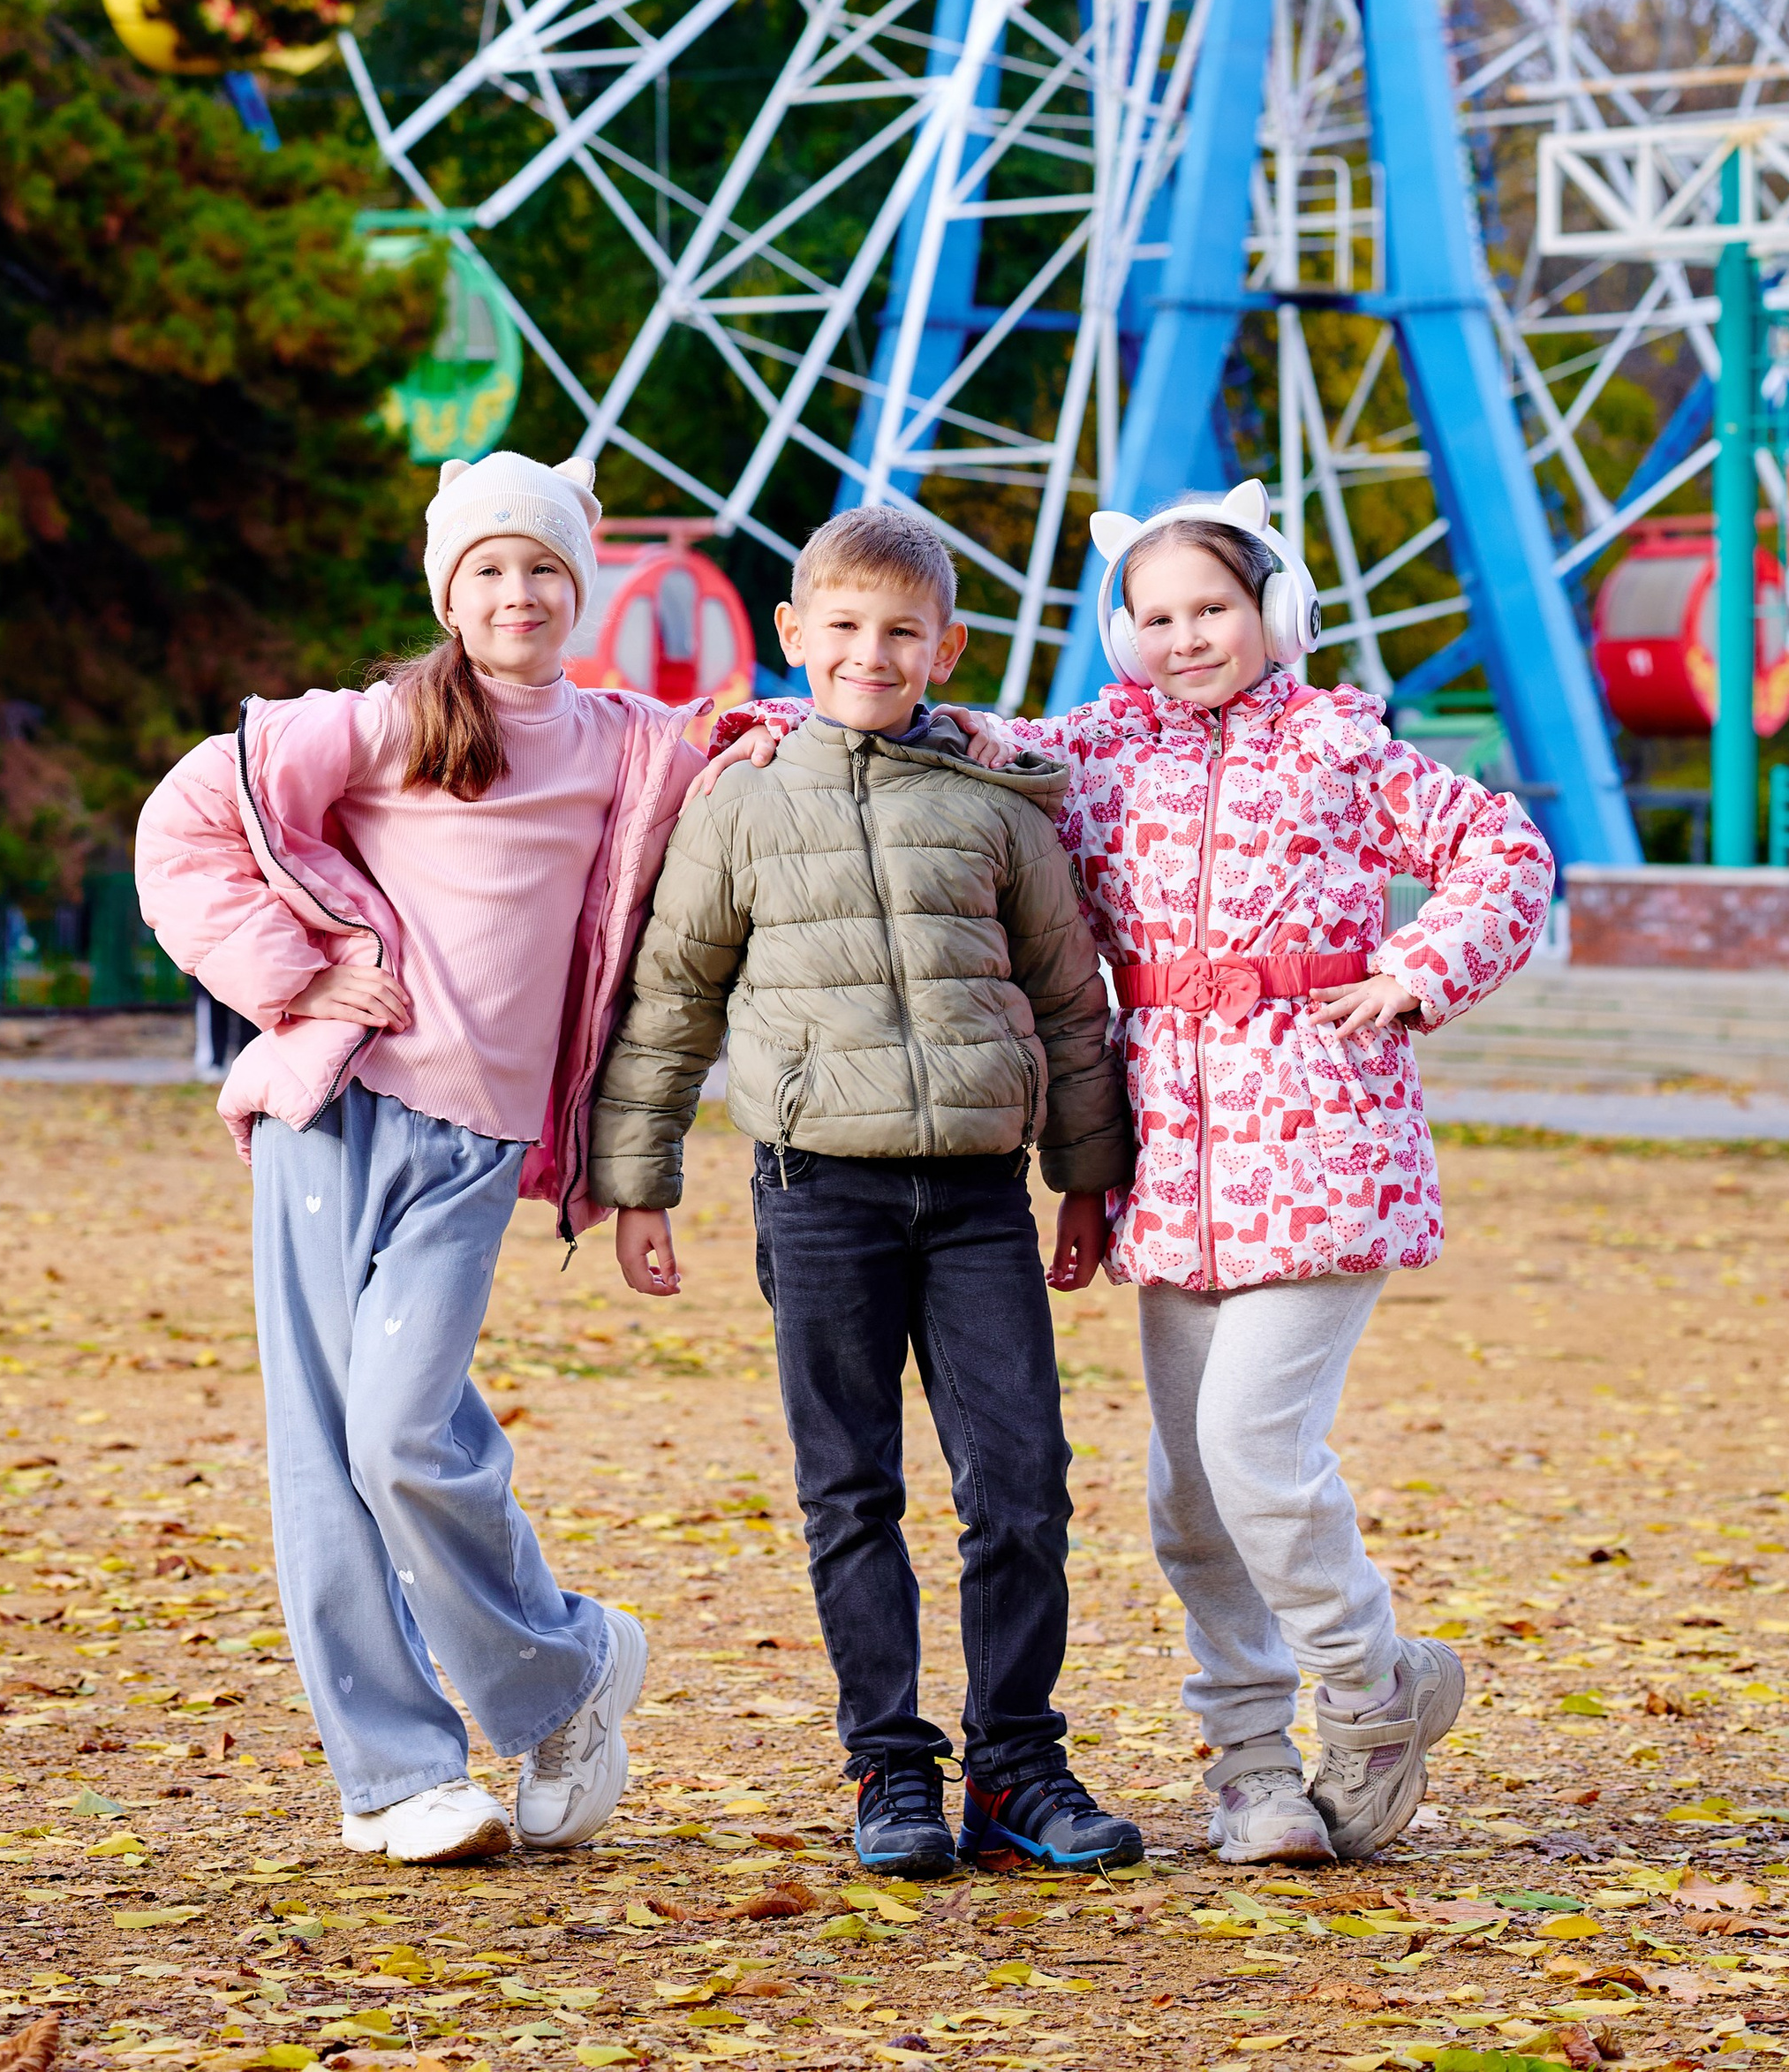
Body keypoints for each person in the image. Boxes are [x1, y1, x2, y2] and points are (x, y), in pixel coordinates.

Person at [713, 483, 1554, 1869]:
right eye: (1155, 615)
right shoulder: (1097, 758)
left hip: (1321, 1145)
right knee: (1187, 1495)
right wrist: (772, 726)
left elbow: (1503, 850)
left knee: (1253, 1452)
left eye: (1213, 607)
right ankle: (1250, 1761)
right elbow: (942, 735)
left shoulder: (1342, 749)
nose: (1185, 636)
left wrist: (1412, 972)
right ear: (1120, 631)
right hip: (1177, 1166)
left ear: (1275, 612)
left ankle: (1372, 1684)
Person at [135, 451, 706, 1866]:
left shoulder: (633, 745)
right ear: (449, 591)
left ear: (583, 586)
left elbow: (809, 737)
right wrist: (293, 976)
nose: (518, 591)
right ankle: (395, 1773)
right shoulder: (387, 722)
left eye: (545, 567)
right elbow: (186, 824)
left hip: (475, 1143)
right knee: (323, 1458)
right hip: (334, 1111)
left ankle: (563, 1669)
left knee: (401, 1434)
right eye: (489, 569)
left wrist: (991, 740)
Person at [588, 502, 1143, 1880]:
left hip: (977, 1202)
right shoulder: (743, 803)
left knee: (1021, 1484)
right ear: (795, 635)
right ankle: (890, 1767)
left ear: (947, 645)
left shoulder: (992, 808)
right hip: (815, 1189)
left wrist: (1087, 1174)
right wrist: (637, 1178)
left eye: (902, 632)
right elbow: (672, 998)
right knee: (852, 1489)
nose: (871, 653)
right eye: (843, 627)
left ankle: (1016, 1764)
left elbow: (1073, 1004)